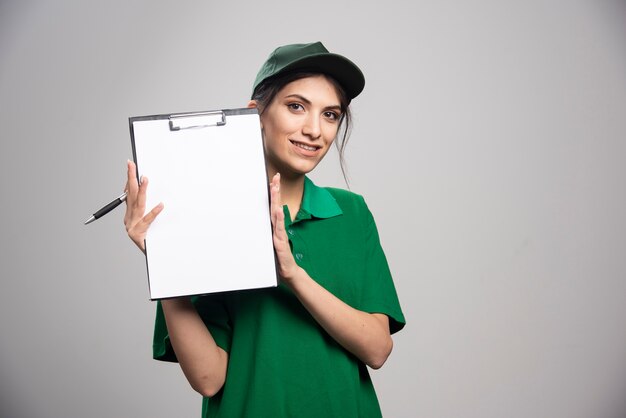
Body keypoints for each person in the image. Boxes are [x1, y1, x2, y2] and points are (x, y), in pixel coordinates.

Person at [123, 41, 405, 417]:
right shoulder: (206, 219)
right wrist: (166, 259)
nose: (314, 130)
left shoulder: (351, 213)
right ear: (255, 114)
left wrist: (292, 274)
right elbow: (209, 379)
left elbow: (377, 349)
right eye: (296, 106)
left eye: (330, 115)